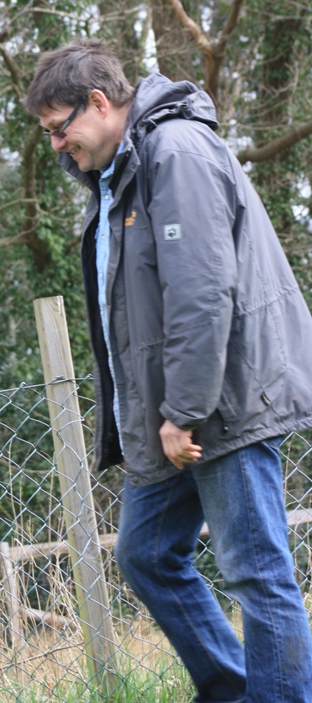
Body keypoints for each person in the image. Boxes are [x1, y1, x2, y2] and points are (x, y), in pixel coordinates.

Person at [24, 39, 312, 703]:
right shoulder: (119, 173)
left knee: (256, 573)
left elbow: (202, 294)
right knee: (147, 553)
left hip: (224, 402)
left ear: (99, 102)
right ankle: (231, 687)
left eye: (60, 128)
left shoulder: (176, 153)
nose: (57, 146)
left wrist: (183, 410)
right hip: (173, 412)